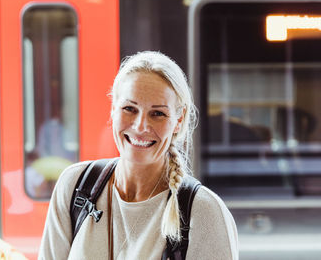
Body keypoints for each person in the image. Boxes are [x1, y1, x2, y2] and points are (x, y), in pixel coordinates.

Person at [38, 51, 239, 259]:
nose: (141, 126)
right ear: (113, 110)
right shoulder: (75, 186)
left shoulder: (204, 212)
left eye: (158, 113)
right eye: (129, 109)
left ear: (178, 121)